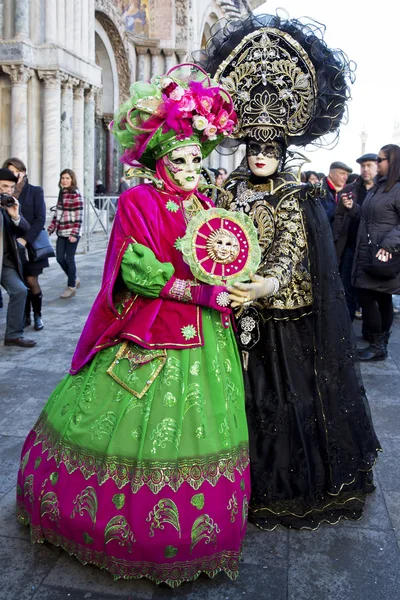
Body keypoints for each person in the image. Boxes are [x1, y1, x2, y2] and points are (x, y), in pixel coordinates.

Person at [16, 65, 250, 587]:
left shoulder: (208, 205)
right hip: (156, 327)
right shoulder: (138, 201)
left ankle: (197, 528)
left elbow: (224, 254)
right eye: (178, 158)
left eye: (195, 158)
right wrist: (200, 292)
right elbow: (140, 271)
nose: (190, 167)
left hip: (206, 336)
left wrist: (234, 280)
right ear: (158, 161)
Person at [196, 12, 380, 530]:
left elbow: (290, 246)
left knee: (283, 396)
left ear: (282, 149)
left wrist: (269, 281)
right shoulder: (226, 189)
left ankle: (285, 482)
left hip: (282, 309)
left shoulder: (295, 195)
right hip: (231, 307)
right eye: (253, 148)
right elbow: (210, 232)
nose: (259, 156)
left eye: (269, 149)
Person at [353, 144, 400, 361]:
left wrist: (388, 246)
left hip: (383, 254)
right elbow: (368, 216)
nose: (377, 162)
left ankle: (378, 345)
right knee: (381, 297)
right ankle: (380, 344)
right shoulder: (380, 187)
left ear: (392, 162)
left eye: (381, 159)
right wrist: (353, 207)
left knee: (371, 295)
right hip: (370, 251)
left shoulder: (397, 188)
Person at [2, 157, 48, 331]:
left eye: (17, 170)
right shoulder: (4, 193)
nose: (14, 174)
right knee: (20, 283)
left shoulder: (35, 191)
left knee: (30, 280)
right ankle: (24, 316)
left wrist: (25, 239)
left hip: (30, 244)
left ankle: (37, 315)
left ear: (24, 172)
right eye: (10, 171)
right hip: (10, 247)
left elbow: (40, 219)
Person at [333, 153, 378, 321]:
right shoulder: (350, 189)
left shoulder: (383, 190)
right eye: (363, 166)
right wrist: (336, 239)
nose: (365, 169)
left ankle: (372, 333)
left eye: (369, 165)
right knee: (346, 290)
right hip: (350, 247)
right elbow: (338, 217)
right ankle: (346, 329)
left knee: (369, 294)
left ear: (377, 166)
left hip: (371, 249)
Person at [0, 168, 36, 347]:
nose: (7, 190)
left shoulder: (9, 207)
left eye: (11, 187)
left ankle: (13, 334)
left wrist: (15, 216)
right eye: (4, 186)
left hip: (5, 262)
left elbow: (24, 228)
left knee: (20, 290)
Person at [48, 169, 83, 298]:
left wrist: (74, 234)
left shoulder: (75, 194)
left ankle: (71, 286)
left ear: (72, 179)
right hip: (61, 231)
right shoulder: (62, 192)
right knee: (59, 258)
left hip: (72, 232)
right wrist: (50, 228)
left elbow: (79, 215)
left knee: (69, 259)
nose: (65, 180)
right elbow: (58, 213)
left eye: (67, 178)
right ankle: (74, 278)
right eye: (63, 178)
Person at [321, 161, 353, 226]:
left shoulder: (347, 191)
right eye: (342, 174)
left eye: (347, 174)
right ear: (331, 174)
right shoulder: (319, 191)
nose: (345, 177)